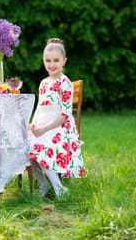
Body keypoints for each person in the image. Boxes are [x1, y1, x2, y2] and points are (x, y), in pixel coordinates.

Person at [28, 38, 86, 197]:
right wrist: (33, 124)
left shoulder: (64, 83)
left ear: (64, 61)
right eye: (48, 60)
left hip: (59, 128)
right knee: (25, 148)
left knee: (38, 148)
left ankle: (59, 188)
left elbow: (66, 115)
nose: (51, 64)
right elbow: (39, 107)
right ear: (43, 61)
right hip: (42, 127)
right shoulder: (44, 83)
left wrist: (45, 129)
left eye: (56, 60)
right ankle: (43, 184)